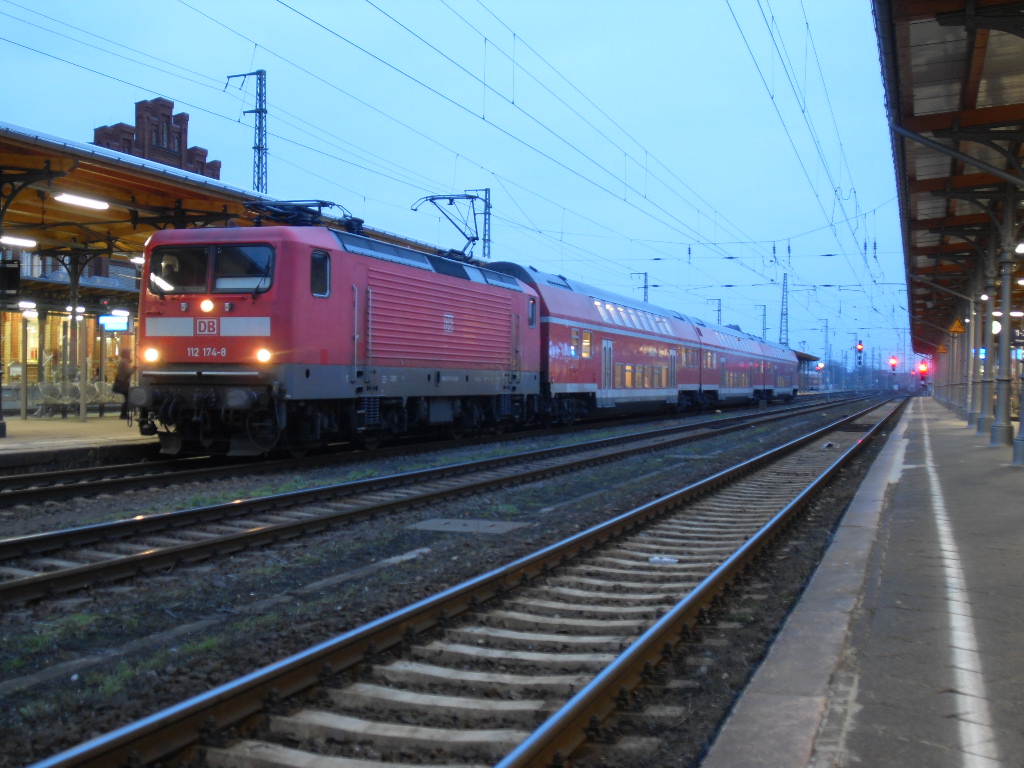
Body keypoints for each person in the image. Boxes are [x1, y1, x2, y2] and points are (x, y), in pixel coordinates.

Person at [114, 348, 134, 419]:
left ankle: (124, 413)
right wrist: (133, 369)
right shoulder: (124, 362)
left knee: (127, 399)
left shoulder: (123, 361)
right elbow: (128, 372)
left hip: (123, 383)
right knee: (127, 399)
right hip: (123, 384)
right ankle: (123, 414)